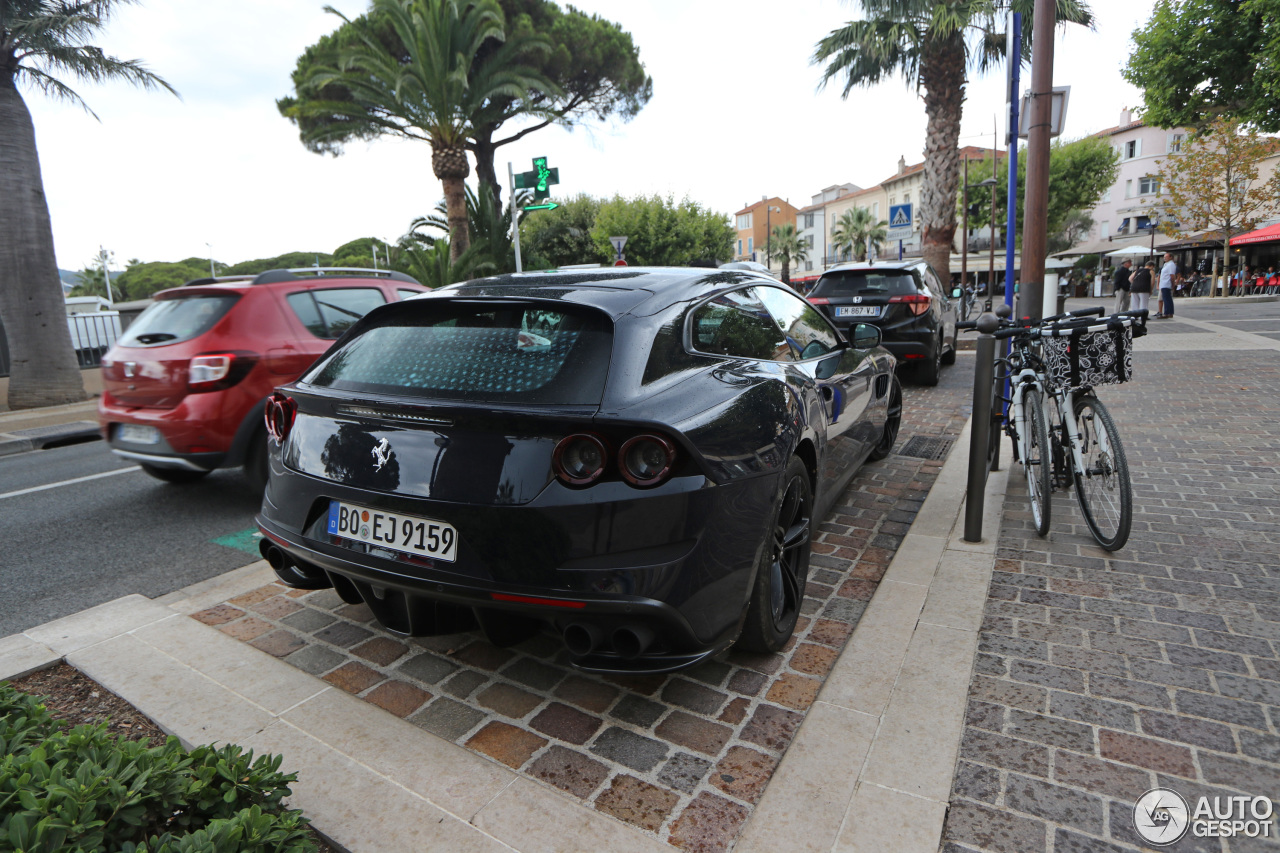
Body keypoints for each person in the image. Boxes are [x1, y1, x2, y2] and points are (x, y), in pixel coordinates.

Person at [1157, 252, 1178, 318]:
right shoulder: (1166, 264)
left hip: (1166, 284)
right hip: (1163, 284)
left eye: (1166, 257)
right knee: (1166, 298)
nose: (1164, 258)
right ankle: (1168, 312)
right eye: (1164, 257)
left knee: (1167, 299)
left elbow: (1172, 275)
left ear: (1171, 257)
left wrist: (1173, 284)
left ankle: (1168, 313)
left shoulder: (1171, 265)